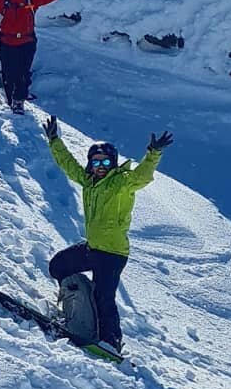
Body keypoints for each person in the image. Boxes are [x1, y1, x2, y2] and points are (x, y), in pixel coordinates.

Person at [41, 117, 173, 353]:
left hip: (112, 254)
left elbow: (142, 176)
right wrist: (54, 141)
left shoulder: (122, 182)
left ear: (113, 164)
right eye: (95, 162)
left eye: (105, 162)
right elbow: (68, 164)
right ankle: (76, 309)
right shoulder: (88, 182)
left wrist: (153, 153)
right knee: (58, 266)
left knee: (104, 297)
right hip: (92, 248)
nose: (100, 166)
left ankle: (111, 344)